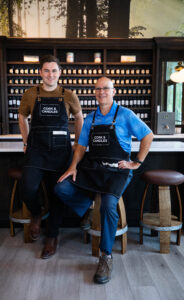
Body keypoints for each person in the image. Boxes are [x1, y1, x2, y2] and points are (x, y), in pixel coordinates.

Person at [55, 77, 153, 284]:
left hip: (117, 172)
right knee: (62, 187)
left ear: (113, 91)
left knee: (108, 205)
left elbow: (147, 135)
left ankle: (105, 257)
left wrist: (137, 162)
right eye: (98, 89)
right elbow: (81, 147)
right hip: (93, 168)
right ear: (94, 92)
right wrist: (72, 167)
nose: (102, 92)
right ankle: (88, 209)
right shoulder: (90, 119)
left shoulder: (126, 114)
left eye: (106, 88)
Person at [18, 54, 83, 259]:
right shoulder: (30, 94)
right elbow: (21, 115)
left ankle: (52, 237)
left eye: (54, 70)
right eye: (46, 70)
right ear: (40, 72)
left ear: (60, 73)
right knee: (28, 186)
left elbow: (79, 116)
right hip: (36, 151)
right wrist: (26, 140)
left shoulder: (68, 94)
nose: (50, 74)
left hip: (60, 152)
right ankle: (37, 214)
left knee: (57, 194)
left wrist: (77, 142)